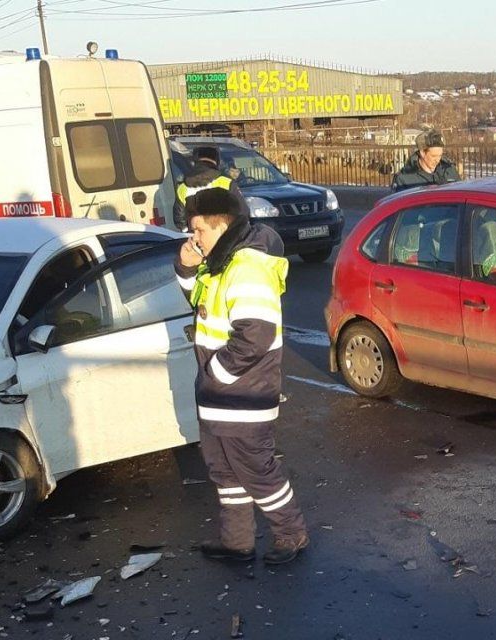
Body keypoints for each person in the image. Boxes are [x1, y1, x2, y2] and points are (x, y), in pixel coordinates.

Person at [174, 186, 309, 565]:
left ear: (221, 226)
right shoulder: (223, 262)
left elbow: (256, 335)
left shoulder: (246, 267)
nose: (194, 238)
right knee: (225, 472)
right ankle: (237, 541)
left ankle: (292, 534)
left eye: (199, 230)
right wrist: (186, 267)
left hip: (241, 397)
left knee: (257, 472)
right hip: (222, 396)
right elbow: (200, 303)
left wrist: (214, 374)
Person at [174, 146, 235, 231]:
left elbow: (179, 217)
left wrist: (189, 231)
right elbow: (242, 212)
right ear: (216, 161)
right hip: (221, 233)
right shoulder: (226, 182)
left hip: (197, 234)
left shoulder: (183, 187)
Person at [391, 129, 461, 192]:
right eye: (433, 156)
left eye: (440, 155)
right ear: (422, 153)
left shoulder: (449, 170)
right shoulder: (404, 178)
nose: (437, 160)